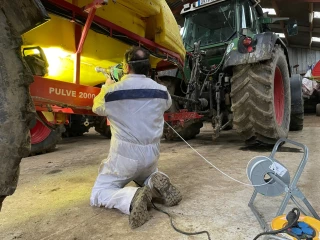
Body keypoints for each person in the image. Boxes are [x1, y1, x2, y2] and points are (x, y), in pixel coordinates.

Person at [90, 46, 182, 229]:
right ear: (147, 68)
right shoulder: (162, 91)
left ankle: (131, 198)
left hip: (124, 157)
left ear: (125, 67)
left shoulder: (113, 92)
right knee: (144, 174)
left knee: (99, 193)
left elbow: (96, 108)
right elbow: (165, 104)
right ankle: (154, 182)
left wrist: (107, 85)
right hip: (151, 156)